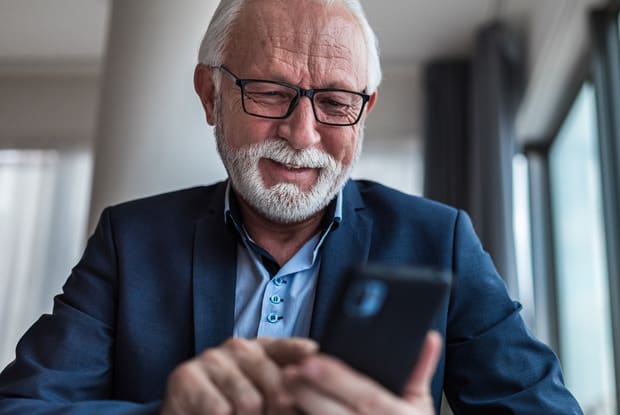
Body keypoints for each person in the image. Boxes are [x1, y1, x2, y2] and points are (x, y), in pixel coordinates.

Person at [0, 0, 582, 414]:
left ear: (365, 109)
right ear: (211, 95)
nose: (302, 135)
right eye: (271, 93)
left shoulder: (441, 240)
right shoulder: (130, 241)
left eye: (333, 101)